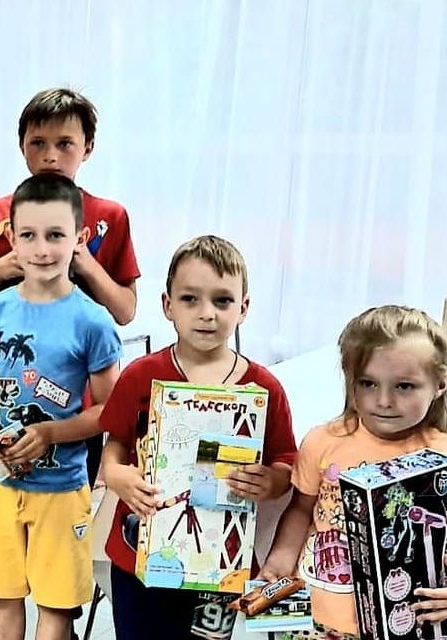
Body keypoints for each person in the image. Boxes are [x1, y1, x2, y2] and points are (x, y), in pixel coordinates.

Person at [0, 86, 140, 640]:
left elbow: (113, 391)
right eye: (39, 143)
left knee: (57, 599)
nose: (52, 155)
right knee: (1, 593)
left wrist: (54, 432)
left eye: (65, 143)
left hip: (63, 472)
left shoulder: (92, 313)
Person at [259, 305, 447, 639]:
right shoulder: (322, 441)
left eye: (404, 386)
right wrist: (279, 561)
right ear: (349, 379)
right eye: (368, 383)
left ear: (440, 384)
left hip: (406, 621)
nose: (384, 400)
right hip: (315, 617)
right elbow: (301, 509)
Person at [100, 235, 298, 639]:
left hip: (221, 563)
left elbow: (286, 461)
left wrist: (271, 480)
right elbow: (115, 445)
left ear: (243, 308)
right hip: (140, 557)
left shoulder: (264, 387)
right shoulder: (139, 375)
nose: (207, 314)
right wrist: (116, 476)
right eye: (190, 299)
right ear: (167, 305)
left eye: (222, 301)